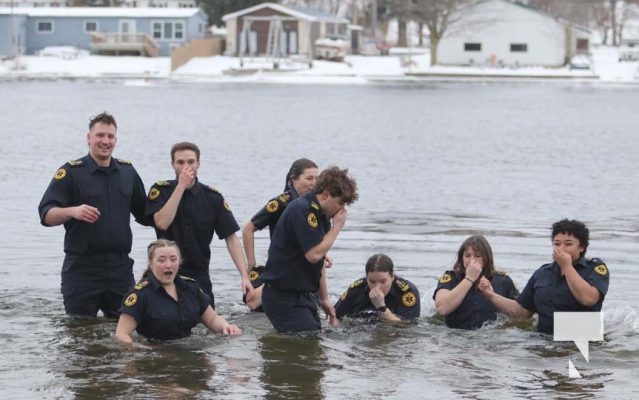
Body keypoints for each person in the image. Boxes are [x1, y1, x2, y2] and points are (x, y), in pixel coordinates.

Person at [38, 111, 149, 317]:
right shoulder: (71, 172)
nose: (105, 141)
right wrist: (73, 211)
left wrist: (178, 191)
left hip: (120, 268)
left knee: (125, 332)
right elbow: (46, 214)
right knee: (79, 335)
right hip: (82, 268)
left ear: (115, 140)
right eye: (100, 135)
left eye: (110, 136)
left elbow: (147, 215)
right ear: (89, 138)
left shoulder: (127, 172)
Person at [145, 142, 253, 309]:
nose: (186, 167)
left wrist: (244, 276)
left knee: (210, 327)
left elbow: (231, 238)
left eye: (190, 162)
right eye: (180, 162)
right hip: (166, 272)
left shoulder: (213, 197)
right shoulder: (160, 190)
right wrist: (180, 186)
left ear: (198, 163)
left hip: (199, 275)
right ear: (173, 164)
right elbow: (162, 223)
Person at [261, 166, 358, 333]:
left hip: (304, 294)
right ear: (325, 195)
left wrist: (324, 299)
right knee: (308, 343)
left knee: (314, 340)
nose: (342, 210)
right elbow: (314, 254)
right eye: (341, 203)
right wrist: (337, 228)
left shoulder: (322, 216)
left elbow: (318, 262)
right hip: (282, 296)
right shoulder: (302, 210)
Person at [478, 219, 610, 334]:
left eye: (568, 244)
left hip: (582, 340)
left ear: (582, 247)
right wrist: (491, 295)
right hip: (544, 339)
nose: (561, 248)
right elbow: (522, 312)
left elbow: (588, 299)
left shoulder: (594, 268)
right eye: (557, 244)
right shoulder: (543, 273)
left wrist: (567, 267)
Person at [115, 239, 242, 343]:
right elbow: (122, 334)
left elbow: (211, 318)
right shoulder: (140, 296)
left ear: (179, 262)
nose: (168, 265)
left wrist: (226, 326)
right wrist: (141, 351)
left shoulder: (191, 288)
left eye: (173, 259)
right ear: (150, 263)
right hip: (155, 356)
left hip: (188, 350)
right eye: (162, 260)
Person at [242, 158, 320, 311]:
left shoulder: (315, 205)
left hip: (305, 270)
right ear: (293, 179)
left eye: (317, 179)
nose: (314, 183)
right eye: (309, 178)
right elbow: (248, 228)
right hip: (281, 269)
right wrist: (251, 264)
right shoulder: (281, 203)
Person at [433, 235, 519, 329]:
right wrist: (469, 279)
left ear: (487, 258)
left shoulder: (503, 281)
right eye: (467, 256)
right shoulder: (450, 277)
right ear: (461, 257)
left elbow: (521, 313)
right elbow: (442, 309)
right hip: (456, 337)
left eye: (477, 256)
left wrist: (492, 296)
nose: (472, 261)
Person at [334, 253, 420, 322]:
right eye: (372, 281)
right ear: (366, 277)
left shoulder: (407, 292)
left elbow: (408, 327)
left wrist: (381, 307)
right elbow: (335, 316)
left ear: (392, 276)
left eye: (383, 281)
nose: (377, 287)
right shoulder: (356, 290)